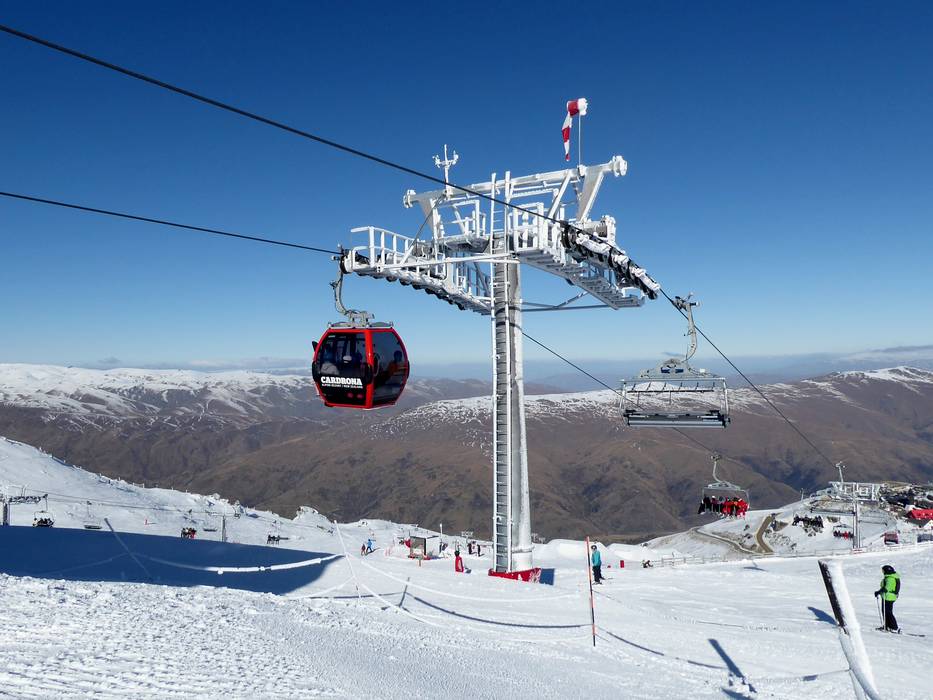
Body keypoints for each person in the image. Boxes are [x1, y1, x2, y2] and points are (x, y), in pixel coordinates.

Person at [875, 564, 901, 632]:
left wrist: (878, 592)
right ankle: (887, 626)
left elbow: (886, 588)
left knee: (888, 612)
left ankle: (894, 627)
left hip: (888, 597)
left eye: (883, 571)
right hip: (887, 596)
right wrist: (880, 592)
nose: (882, 572)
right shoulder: (889, 577)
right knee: (885, 612)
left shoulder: (890, 578)